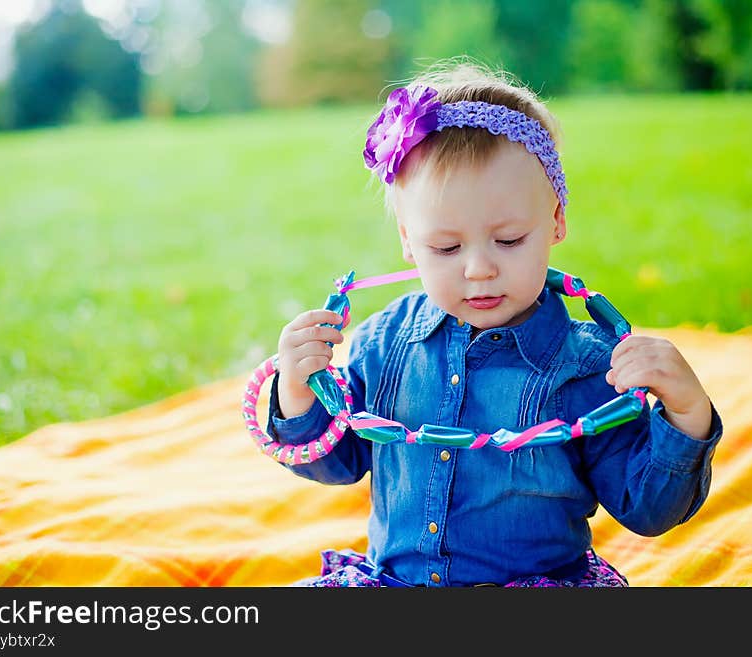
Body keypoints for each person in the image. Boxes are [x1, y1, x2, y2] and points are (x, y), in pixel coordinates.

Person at [265, 61, 723, 587]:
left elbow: (648, 509)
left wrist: (687, 413)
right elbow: (336, 461)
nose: (479, 268)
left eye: (508, 241)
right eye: (446, 247)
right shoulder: (384, 343)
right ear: (409, 241)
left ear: (555, 221)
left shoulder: (591, 369)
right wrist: (298, 392)